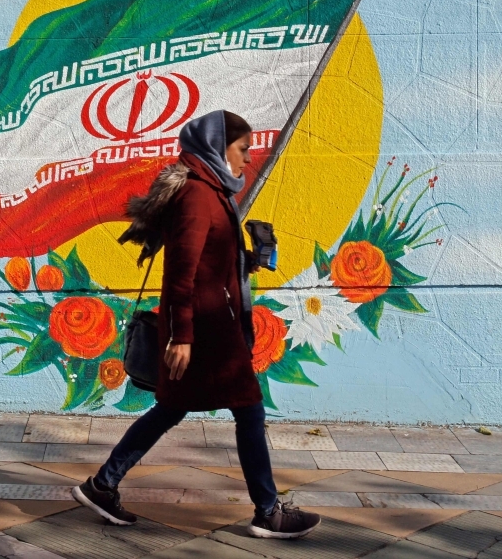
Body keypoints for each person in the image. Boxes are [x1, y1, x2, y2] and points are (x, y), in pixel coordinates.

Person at [73, 109, 321, 539]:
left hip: (211, 327)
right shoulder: (196, 195)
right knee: (248, 410)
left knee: (171, 409)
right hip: (206, 334)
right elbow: (181, 272)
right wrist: (182, 337)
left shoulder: (212, 189)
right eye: (242, 150)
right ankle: (268, 511)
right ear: (217, 146)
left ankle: (103, 485)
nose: (248, 159)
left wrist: (246, 260)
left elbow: (208, 257)